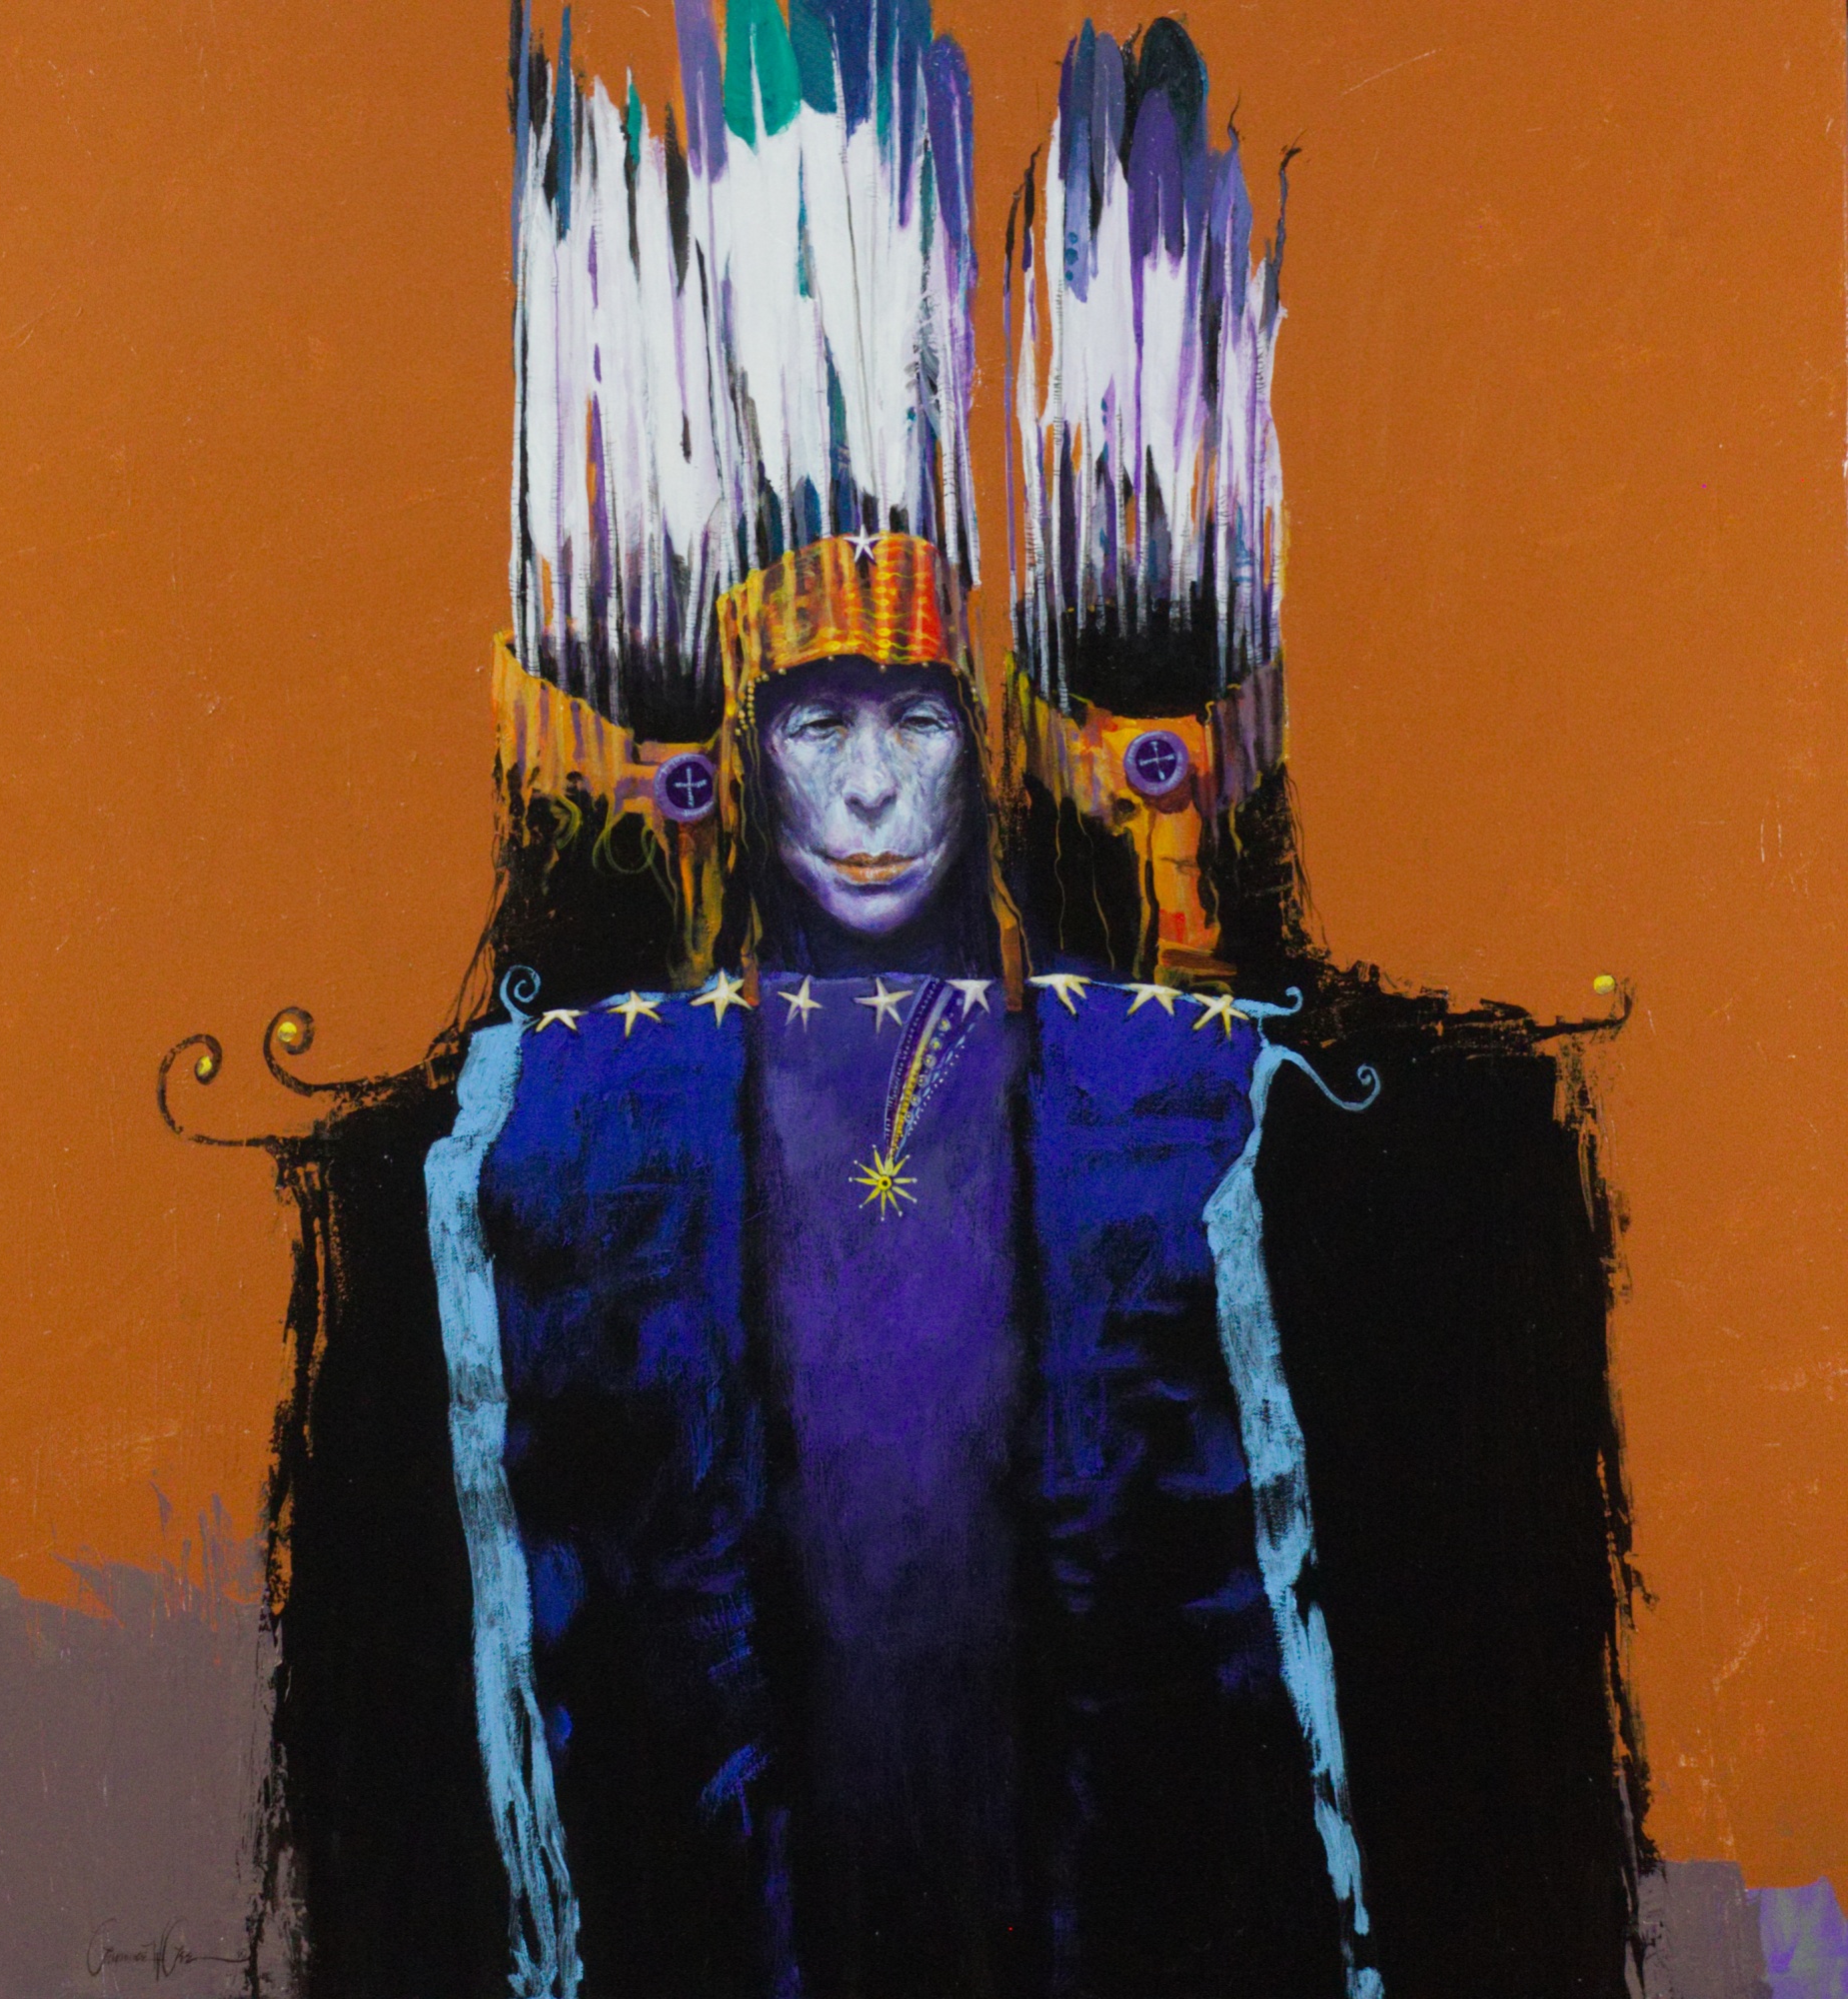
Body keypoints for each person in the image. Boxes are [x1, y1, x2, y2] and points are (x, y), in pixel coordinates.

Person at [220, 6, 1647, 1996]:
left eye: (916, 721)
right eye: (821, 727)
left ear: (982, 746)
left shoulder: (1161, 1095)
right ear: (748, 753)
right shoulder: (588, 1118)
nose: (875, 789)